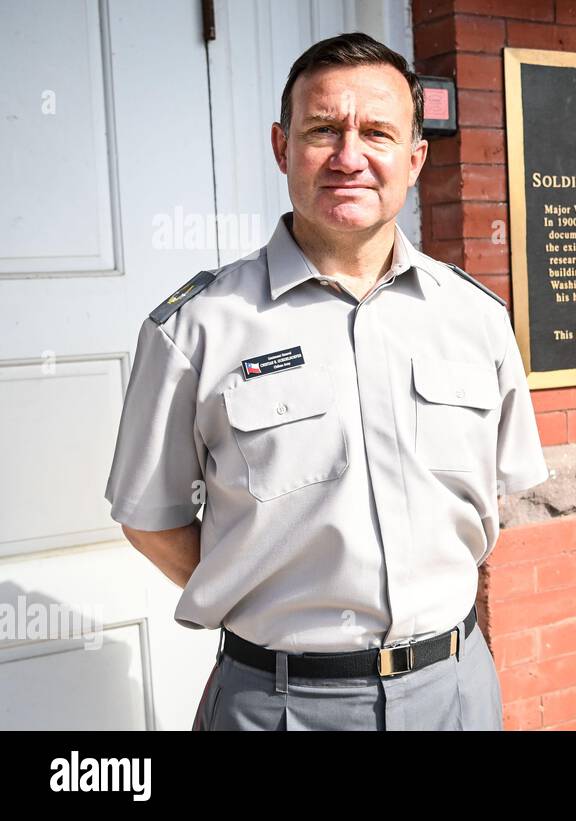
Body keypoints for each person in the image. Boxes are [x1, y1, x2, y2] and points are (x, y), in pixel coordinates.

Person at [103, 32, 548, 730]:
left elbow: (496, 498)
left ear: (414, 156)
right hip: (280, 704)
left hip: (455, 692)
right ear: (282, 148)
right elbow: (150, 520)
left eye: (377, 131)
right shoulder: (198, 326)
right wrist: (262, 584)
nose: (350, 156)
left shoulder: (476, 318)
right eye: (322, 130)